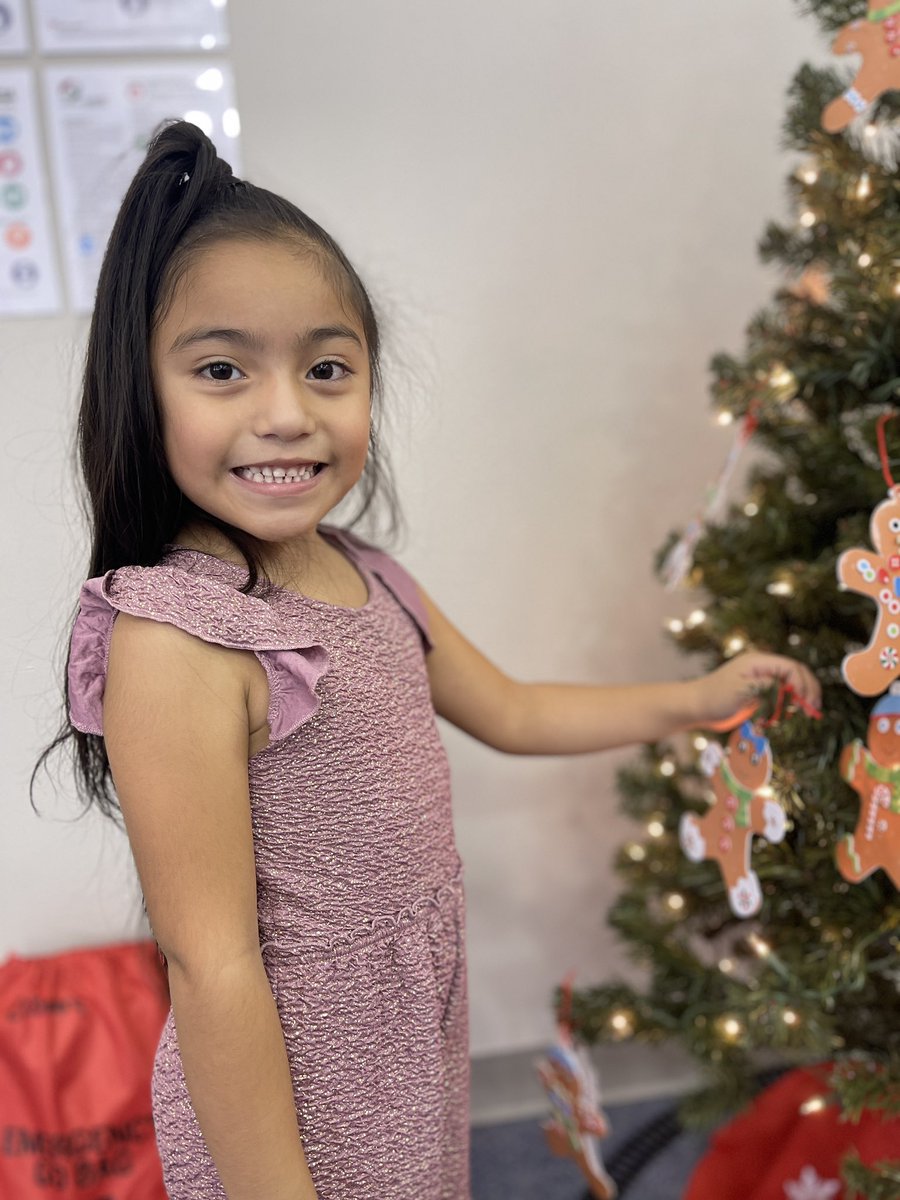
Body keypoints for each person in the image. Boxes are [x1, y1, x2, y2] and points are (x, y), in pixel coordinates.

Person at [45, 121, 820, 1200]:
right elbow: (213, 970)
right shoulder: (176, 638)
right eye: (222, 369)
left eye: (327, 368)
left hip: (405, 1034)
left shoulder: (365, 575)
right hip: (293, 1086)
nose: (287, 414)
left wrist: (694, 698)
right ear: (143, 388)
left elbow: (512, 710)